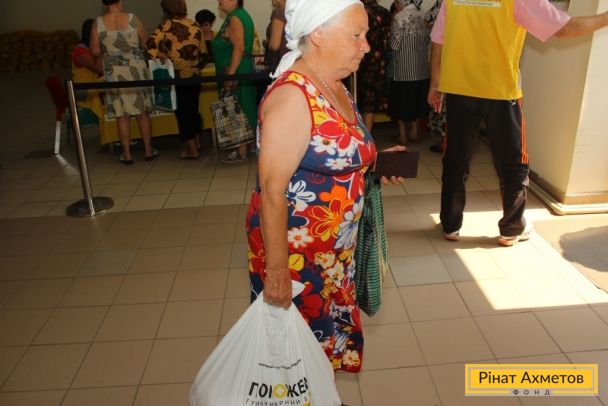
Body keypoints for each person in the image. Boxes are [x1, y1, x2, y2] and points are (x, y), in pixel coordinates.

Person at [246, 0, 403, 373]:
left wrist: (373, 162)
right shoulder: (293, 98)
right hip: (299, 260)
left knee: (324, 345)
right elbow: (271, 191)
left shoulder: (334, 84)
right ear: (317, 34)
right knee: (297, 353)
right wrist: (278, 274)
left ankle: (320, 394)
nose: (366, 46)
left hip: (333, 254)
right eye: (356, 35)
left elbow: (329, 149)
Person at [428, 0, 608, 246]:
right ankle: (512, 228)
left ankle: (450, 224)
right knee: (513, 162)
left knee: (455, 158)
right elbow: (565, 29)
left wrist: (435, 81)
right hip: (501, 92)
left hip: (459, 88)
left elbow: (438, 38)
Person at [90, 0, 158, 164]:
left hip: (114, 71)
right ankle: (148, 150)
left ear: (104, 4)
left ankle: (127, 154)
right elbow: (145, 42)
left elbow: (95, 50)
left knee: (122, 114)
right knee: (142, 112)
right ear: (120, 1)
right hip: (135, 67)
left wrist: (109, 50)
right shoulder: (133, 18)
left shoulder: (98, 23)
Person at [148, 0, 205, 160]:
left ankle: (192, 150)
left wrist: (163, 55)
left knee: (182, 113)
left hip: (177, 76)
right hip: (194, 75)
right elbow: (203, 52)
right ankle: (198, 143)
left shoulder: (165, 26)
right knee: (193, 109)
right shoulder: (194, 24)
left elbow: (150, 46)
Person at [211, 0, 256, 163]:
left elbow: (239, 48)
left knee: (236, 107)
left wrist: (230, 76)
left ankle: (241, 150)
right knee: (244, 105)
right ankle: (249, 144)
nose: (219, 1)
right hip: (240, 67)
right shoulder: (240, 15)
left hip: (236, 69)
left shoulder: (235, 18)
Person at [388, 0, 431, 145]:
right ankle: (414, 133)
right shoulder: (423, 14)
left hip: (404, 70)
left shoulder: (400, 17)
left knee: (401, 103)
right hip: (421, 70)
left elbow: (395, 45)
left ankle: (403, 136)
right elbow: (428, 41)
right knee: (416, 102)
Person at [356, 0, 390, 133]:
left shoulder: (357, 9)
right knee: (371, 99)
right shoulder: (384, 12)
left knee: (356, 96)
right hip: (377, 61)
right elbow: (387, 38)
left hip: (358, 58)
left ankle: (359, 133)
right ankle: (367, 134)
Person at [71, 19, 103, 116]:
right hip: (84, 93)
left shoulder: (90, 48)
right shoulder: (79, 51)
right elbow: (98, 68)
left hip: (93, 87)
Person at [264, 0, 288, 74]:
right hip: (292, 63)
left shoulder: (278, 13)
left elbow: (274, 45)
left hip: (279, 65)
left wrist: (267, 43)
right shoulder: (295, 13)